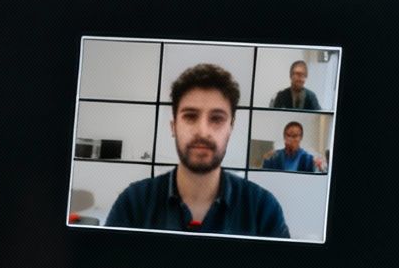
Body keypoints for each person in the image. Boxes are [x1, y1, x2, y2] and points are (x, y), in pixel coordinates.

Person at [104, 63, 290, 238]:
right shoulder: (133, 204)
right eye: (190, 116)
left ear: (230, 128)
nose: (202, 131)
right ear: (173, 126)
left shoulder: (263, 210)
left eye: (216, 119)